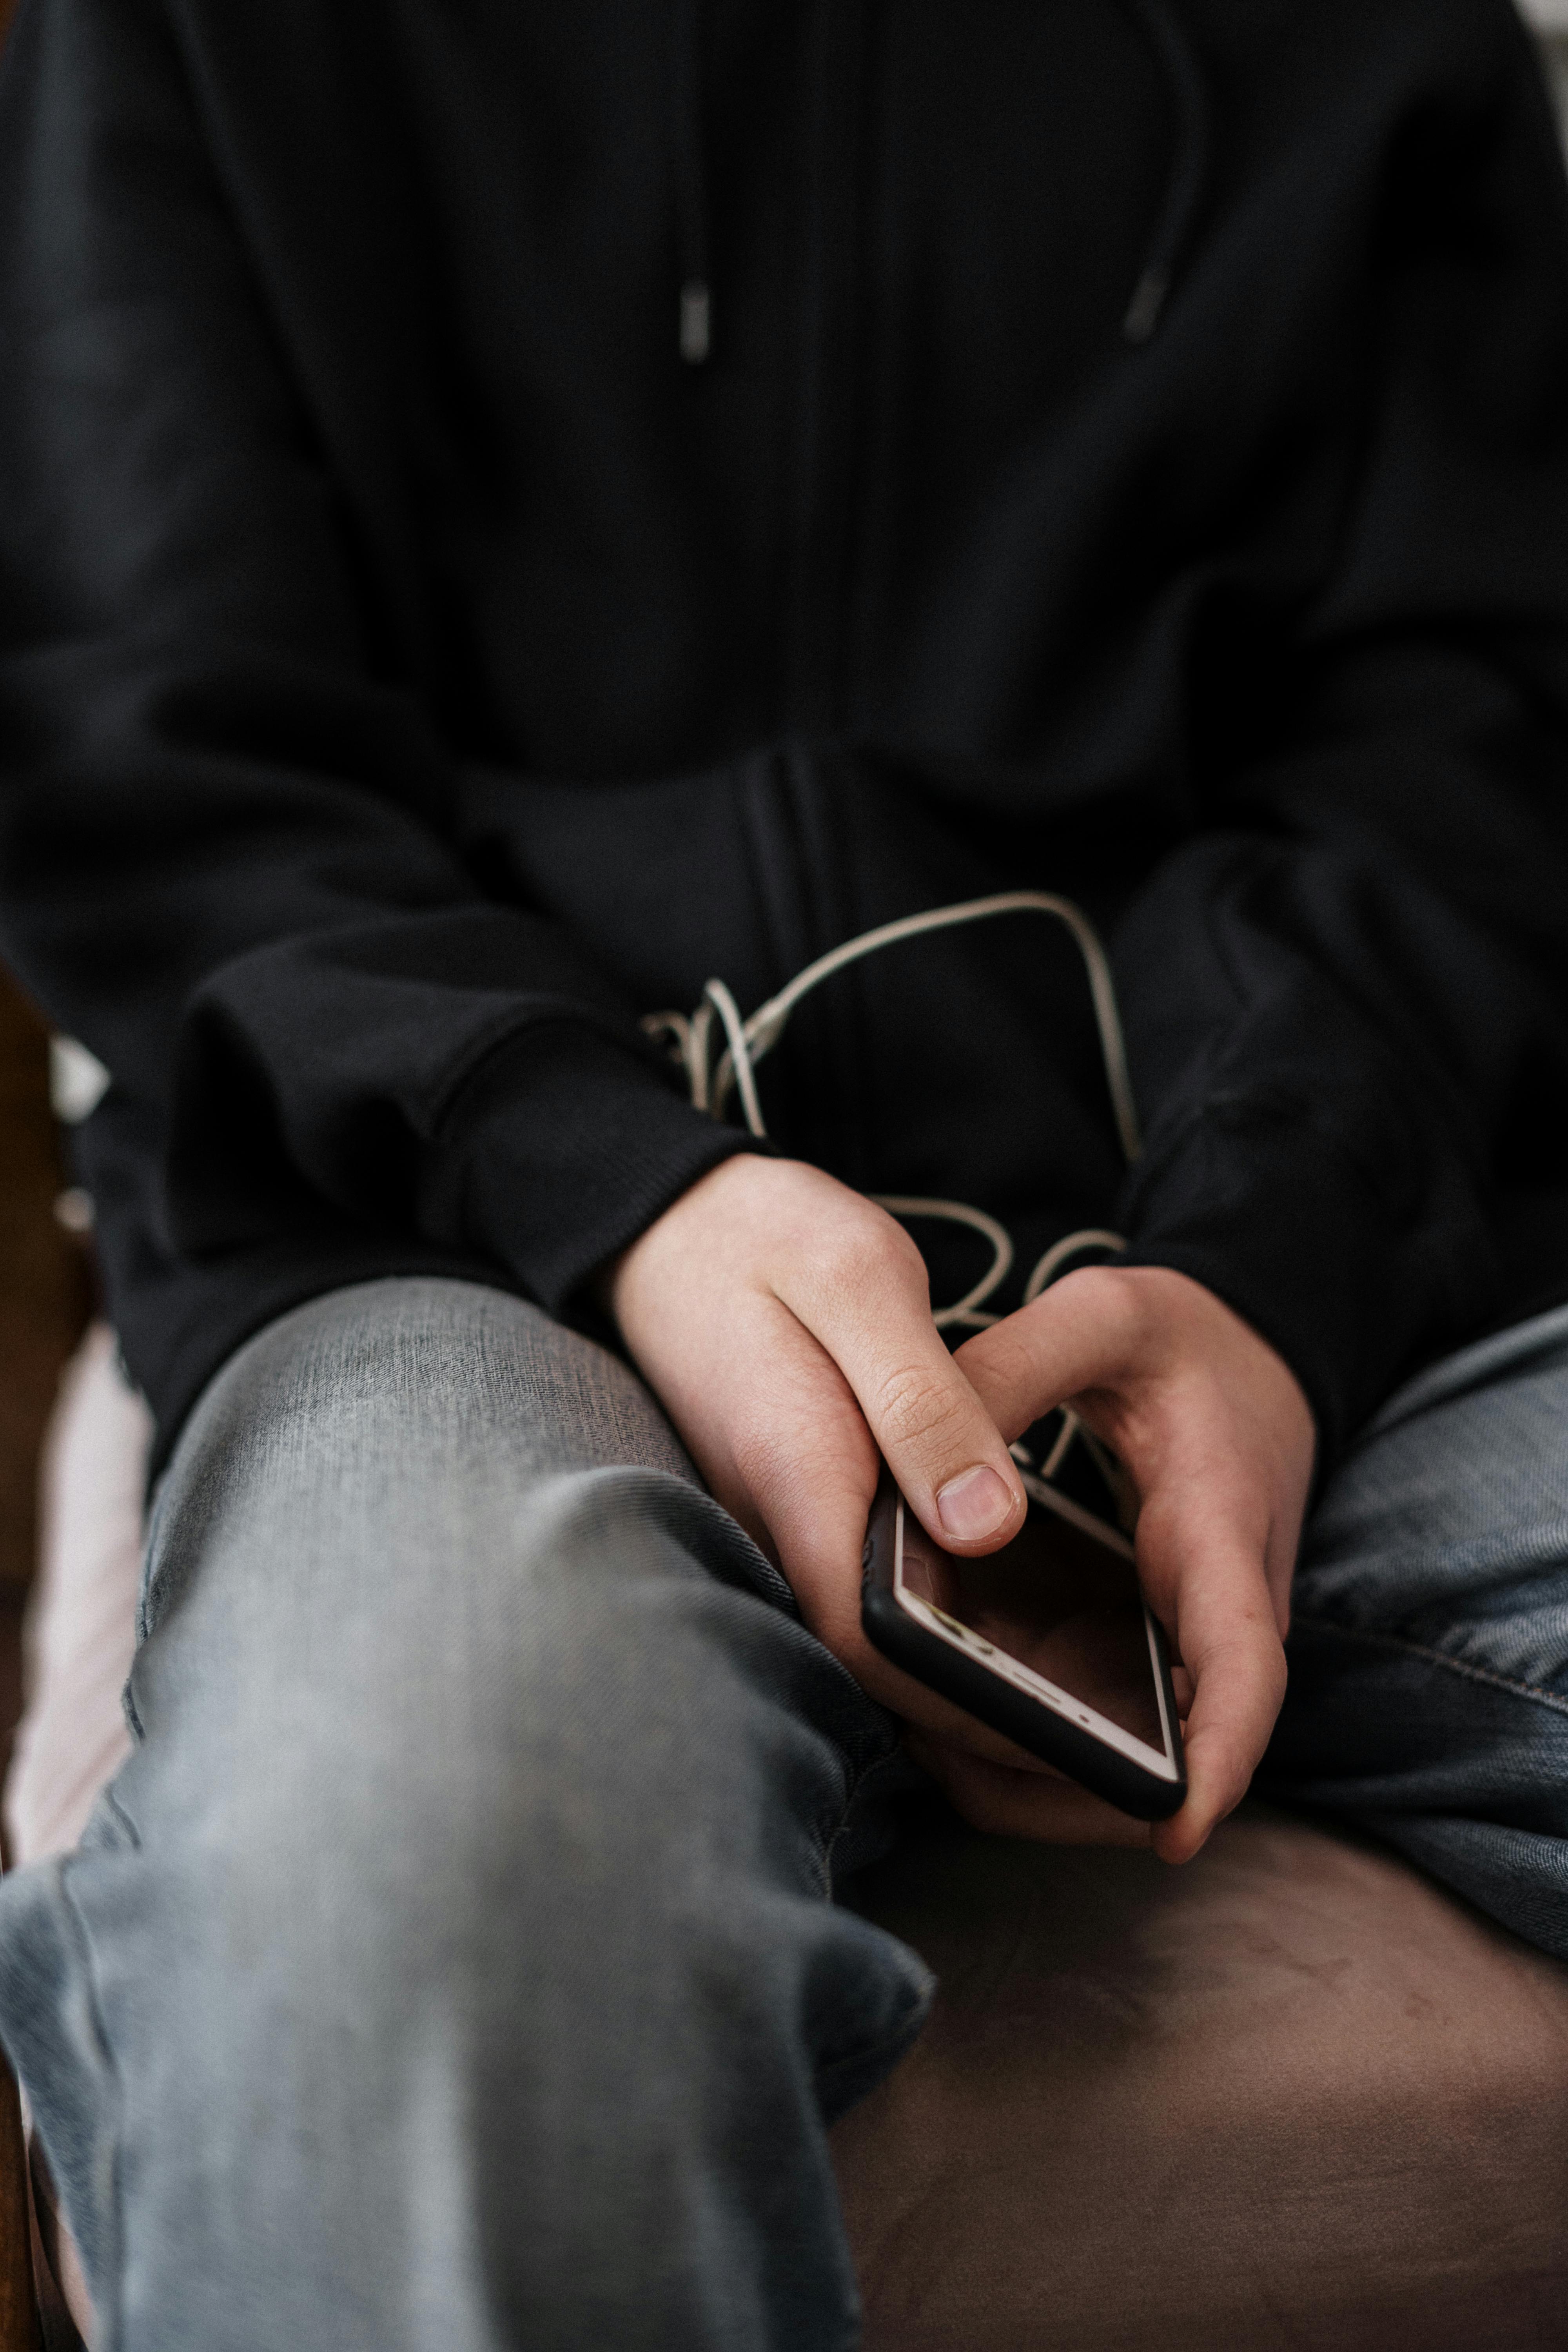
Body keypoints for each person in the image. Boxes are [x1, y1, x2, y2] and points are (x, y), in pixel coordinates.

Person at [2, 0, 1568, 2341]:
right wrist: (618, 1182)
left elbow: (1464, 739)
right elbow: (159, 752)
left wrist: (1268, 1264)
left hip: (1298, 1276)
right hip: (462, 1263)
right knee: (421, 1884)